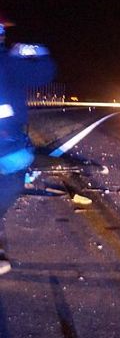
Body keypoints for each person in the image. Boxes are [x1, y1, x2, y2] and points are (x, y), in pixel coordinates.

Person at [0, 18, 55, 274]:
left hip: (8, 144)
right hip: (8, 145)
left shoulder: (9, 62)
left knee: (10, 185)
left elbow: (44, 73)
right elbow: (44, 72)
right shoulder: (9, 61)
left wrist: (34, 52)